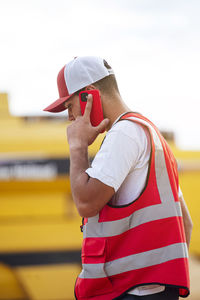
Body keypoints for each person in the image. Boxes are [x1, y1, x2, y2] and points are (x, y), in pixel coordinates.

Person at [43, 56, 193, 300]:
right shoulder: (151, 135)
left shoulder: (123, 134)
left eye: (69, 106)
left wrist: (78, 147)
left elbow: (85, 203)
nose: (70, 117)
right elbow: (185, 224)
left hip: (129, 292)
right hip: (154, 290)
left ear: (89, 95)